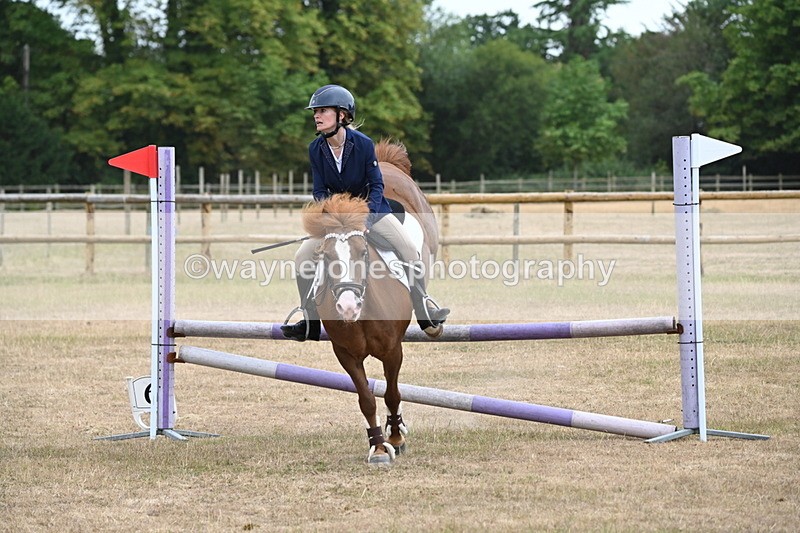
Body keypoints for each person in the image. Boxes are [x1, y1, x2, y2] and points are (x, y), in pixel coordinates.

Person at [281, 84, 449, 342]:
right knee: (302, 256)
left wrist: (366, 217)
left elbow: (377, 184)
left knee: (407, 249)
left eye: (322, 110)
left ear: (342, 115)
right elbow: (319, 190)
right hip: (338, 221)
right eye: (315, 111)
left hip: (373, 213)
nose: (316, 116)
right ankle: (309, 319)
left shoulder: (362, 144)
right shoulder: (316, 149)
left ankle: (423, 306)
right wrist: (331, 218)